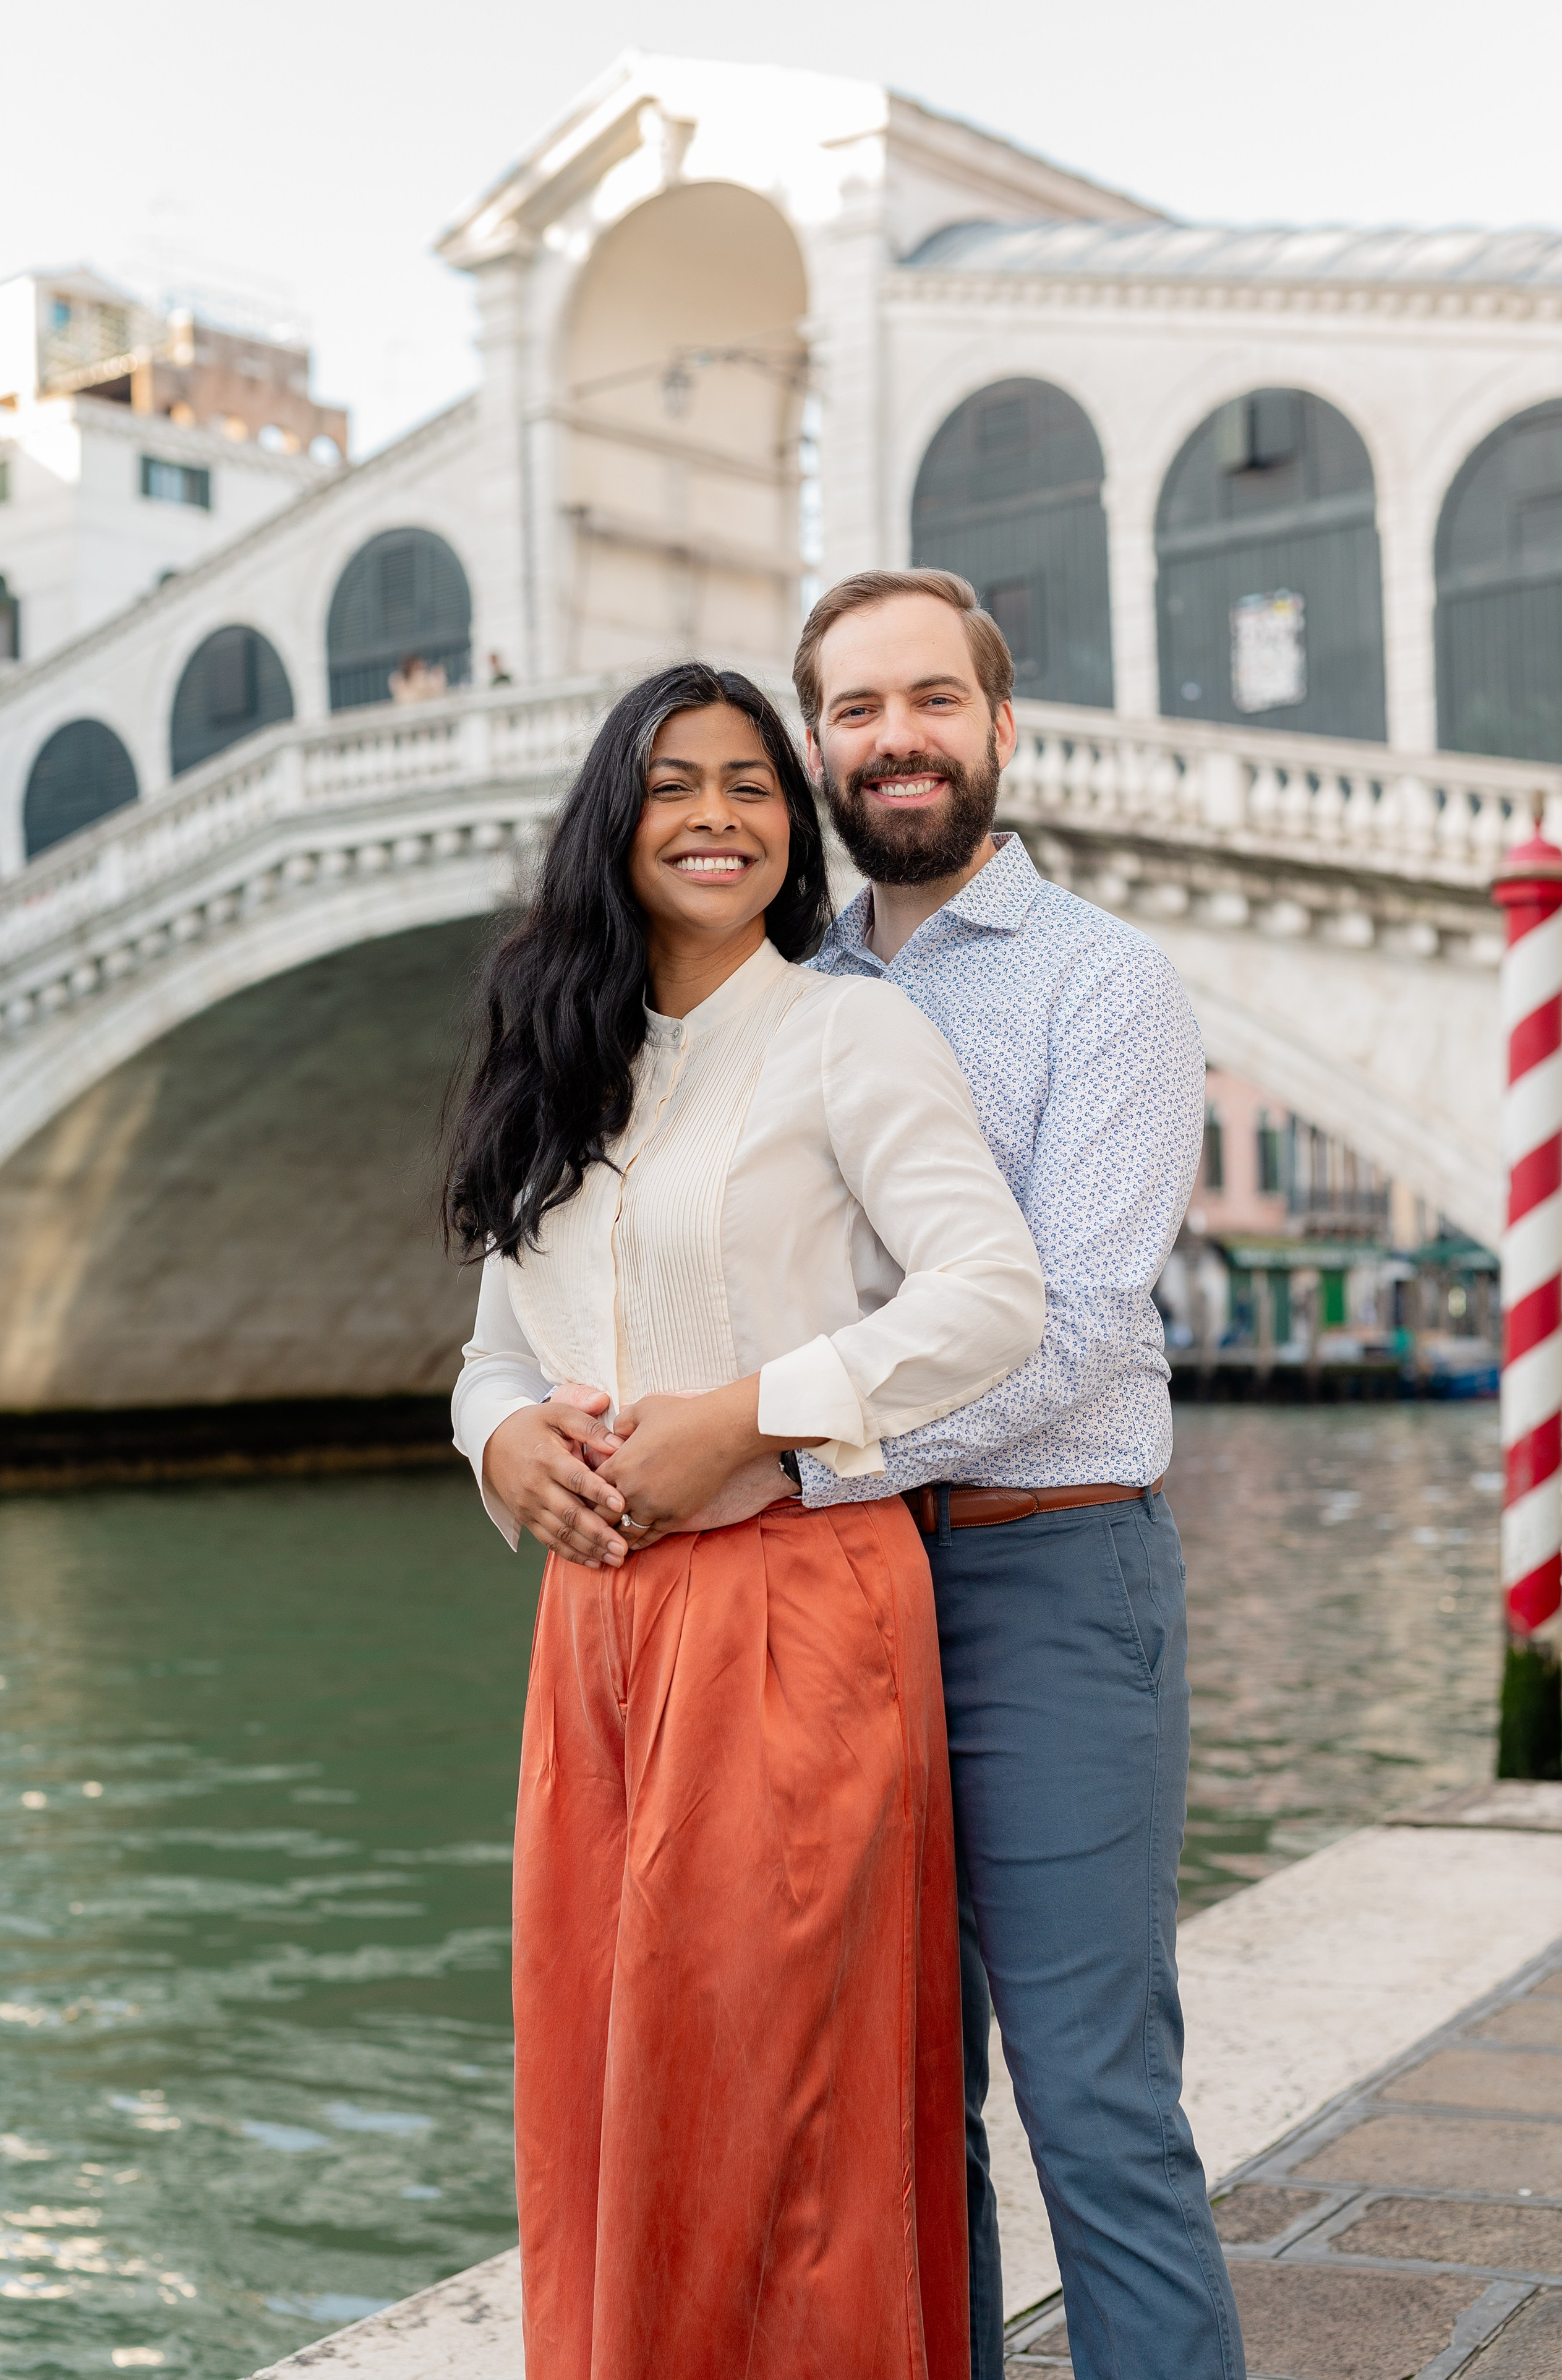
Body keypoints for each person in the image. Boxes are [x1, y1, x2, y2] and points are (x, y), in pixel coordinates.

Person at [445, 661, 1045, 2379]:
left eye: (751, 786)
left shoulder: (848, 1032)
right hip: (598, 1639)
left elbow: (992, 1295)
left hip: (791, 1612)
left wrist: (749, 1417)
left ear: (792, 830)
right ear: (611, 824)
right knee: (603, 2082)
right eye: (674, 784)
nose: (716, 816)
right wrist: (501, 1454)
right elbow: (495, 1351)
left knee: (782, 2105)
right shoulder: (561, 1057)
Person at [789, 570, 1246, 2380]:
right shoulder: (786, 990)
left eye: (932, 702)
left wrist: (774, 1464)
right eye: (853, 710)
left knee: (1097, 2108)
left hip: (1052, 1579)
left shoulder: (1107, 986)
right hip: (840, 1601)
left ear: (1000, 729)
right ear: (820, 743)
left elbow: (1059, 1341)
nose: (895, 739)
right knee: (903, 2118)